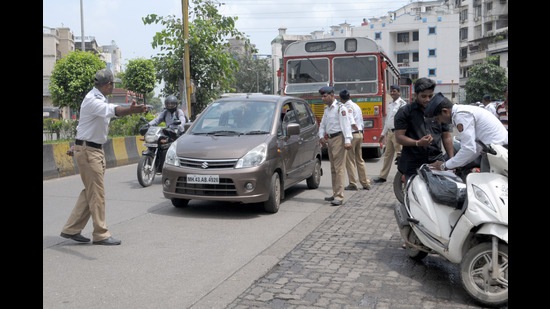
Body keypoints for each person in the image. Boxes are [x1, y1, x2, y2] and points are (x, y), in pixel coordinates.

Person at [61, 69, 147, 246]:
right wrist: (130, 111)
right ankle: (100, 233)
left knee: (91, 192)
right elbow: (113, 110)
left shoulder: (97, 98)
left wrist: (78, 145)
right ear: (108, 84)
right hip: (89, 152)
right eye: (113, 84)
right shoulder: (93, 100)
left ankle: (71, 229)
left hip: (91, 150)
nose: (113, 87)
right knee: (97, 193)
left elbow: (86, 126)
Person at [425, 92, 508, 172]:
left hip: (496, 154)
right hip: (498, 151)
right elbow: (475, 148)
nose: (439, 122)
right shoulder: (462, 111)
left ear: (445, 111)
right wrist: (455, 165)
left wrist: (444, 166)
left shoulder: (461, 116)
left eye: (438, 119)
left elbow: (469, 148)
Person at [394, 77, 454, 183]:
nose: (427, 99)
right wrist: (418, 143)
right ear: (415, 95)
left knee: (439, 195)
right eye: (423, 96)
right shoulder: (405, 112)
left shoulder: (440, 111)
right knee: (414, 196)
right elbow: (399, 137)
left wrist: (452, 159)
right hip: (413, 163)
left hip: (436, 162)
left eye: (430, 96)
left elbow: (447, 136)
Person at [318, 86, 353, 206]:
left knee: (339, 169)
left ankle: (339, 196)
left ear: (332, 95)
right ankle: (335, 193)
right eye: (322, 96)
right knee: (333, 168)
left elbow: (346, 124)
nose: (323, 98)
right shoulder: (327, 109)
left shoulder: (340, 108)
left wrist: (348, 140)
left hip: (339, 138)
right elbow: (322, 124)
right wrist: (321, 136)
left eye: (325, 96)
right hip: (330, 139)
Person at [373, 84, 407, 183]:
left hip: (398, 133)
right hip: (390, 133)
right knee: (387, 155)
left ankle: (403, 175)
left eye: (395, 91)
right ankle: (383, 176)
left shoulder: (402, 104)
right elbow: (388, 121)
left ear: (399, 92)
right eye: (391, 91)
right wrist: (383, 134)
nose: (392, 93)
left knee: (400, 156)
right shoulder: (390, 104)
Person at [339, 89, 372, 191]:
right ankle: (365, 182)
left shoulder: (347, 107)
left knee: (350, 160)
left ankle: (353, 183)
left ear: (341, 98)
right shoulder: (356, 106)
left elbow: (349, 120)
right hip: (360, 134)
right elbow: (361, 121)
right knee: (360, 159)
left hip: (352, 135)